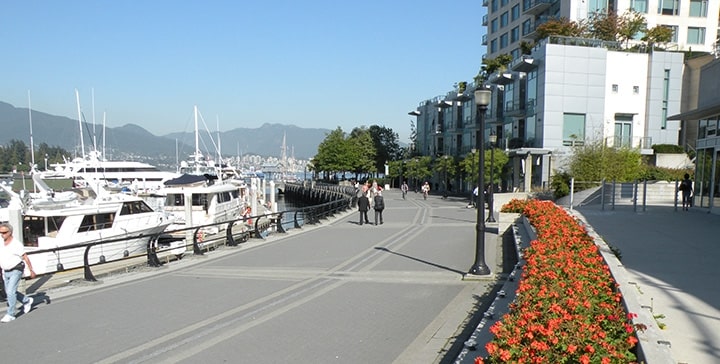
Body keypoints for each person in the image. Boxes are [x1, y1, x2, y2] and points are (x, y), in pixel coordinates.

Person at [0, 222, 36, 322]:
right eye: (0, 233)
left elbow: (25, 257)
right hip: (5, 270)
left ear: (10, 232)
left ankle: (10, 314)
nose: (2, 234)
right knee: (9, 292)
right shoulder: (1, 242)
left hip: (16, 269)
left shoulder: (16, 244)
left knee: (10, 291)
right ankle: (27, 300)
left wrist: (31, 270)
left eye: (4, 232)